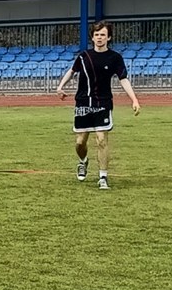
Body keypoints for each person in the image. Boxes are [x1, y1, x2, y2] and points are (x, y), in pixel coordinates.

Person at [56, 21, 141, 190]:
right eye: (96, 35)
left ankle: (103, 177)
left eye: (103, 35)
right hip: (83, 102)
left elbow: (123, 79)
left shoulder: (115, 58)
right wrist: (60, 86)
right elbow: (72, 71)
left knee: (101, 139)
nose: (99, 38)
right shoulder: (83, 56)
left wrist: (134, 99)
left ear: (108, 37)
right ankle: (83, 161)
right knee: (80, 142)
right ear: (92, 37)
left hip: (103, 102)